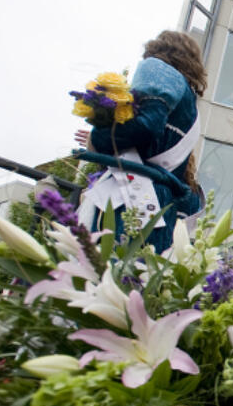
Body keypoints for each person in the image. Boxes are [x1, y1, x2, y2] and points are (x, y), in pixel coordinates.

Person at [75, 30, 206, 252]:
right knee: (142, 279)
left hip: (131, 197)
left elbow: (147, 127)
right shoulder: (189, 103)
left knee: (111, 274)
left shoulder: (157, 69)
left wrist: (99, 136)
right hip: (160, 204)